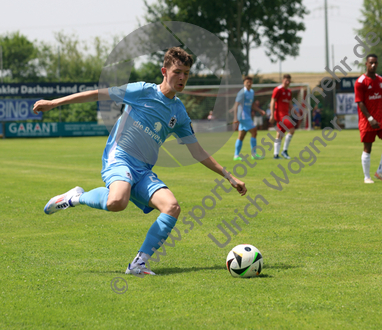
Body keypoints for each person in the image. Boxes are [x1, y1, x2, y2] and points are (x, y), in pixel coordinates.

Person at [33, 47, 247, 277]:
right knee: (117, 201)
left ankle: (138, 264)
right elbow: (98, 94)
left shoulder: (179, 113)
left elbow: (197, 151)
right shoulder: (143, 91)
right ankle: (74, 197)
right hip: (119, 158)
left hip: (143, 171)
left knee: (172, 207)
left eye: (186, 73)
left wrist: (229, 176)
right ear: (164, 71)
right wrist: (54, 103)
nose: (182, 77)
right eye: (177, 71)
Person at [354, 53, 382, 183]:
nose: (373, 65)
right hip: (367, 120)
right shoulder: (360, 82)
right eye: (371, 62)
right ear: (366, 64)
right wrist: (370, 119)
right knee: (368, 148)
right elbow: (360, 102)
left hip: (381, 118)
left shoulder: (381, 81)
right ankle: (367, 177)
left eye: (375, 63)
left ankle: (380, 171)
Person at [232, 76, 266, 160]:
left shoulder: (251, 92)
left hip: (247, 116)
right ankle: (254, 154)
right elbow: (236, 105)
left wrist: (259, 110)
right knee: (254, 131)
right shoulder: (242, 92)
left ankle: (236, 156)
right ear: (244, 83)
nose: (249, 84)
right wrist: (235, 118)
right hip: (243, 116)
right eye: (247, 82)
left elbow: (252, 104)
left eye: (250, 82)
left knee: (241, 136)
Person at [269, 74, 295, 159]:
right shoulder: (278, 90)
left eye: (289, 81)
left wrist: (294, 111)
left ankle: (276, 155)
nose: (287, 82)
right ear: (282, 80)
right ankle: (284, 151)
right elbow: (272, 102)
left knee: (280, 134)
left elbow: (290, 103)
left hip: (285, 115)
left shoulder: (289, 91)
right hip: (280, 115)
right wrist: (272, 115)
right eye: (286, 80)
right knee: (291, 130)